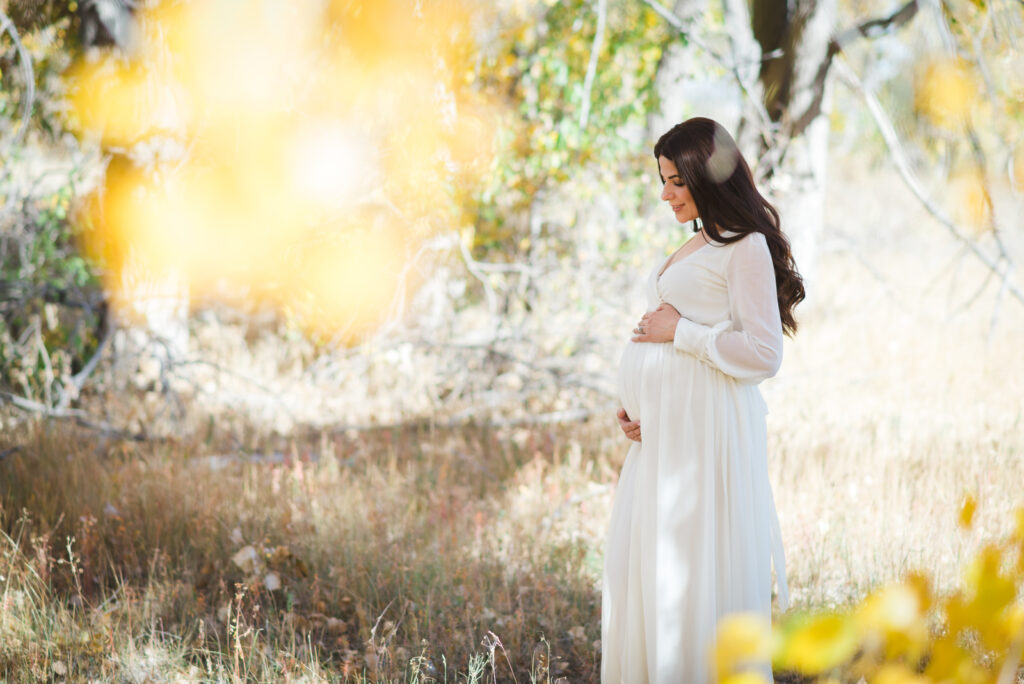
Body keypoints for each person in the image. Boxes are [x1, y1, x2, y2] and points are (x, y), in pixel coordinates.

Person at [601, 117, 805, 683]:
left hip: (705, 443)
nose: (665, 194)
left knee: (692, 573)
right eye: (662, 181)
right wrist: (639, 407)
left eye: (676, 181)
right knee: (651, 571)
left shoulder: (745, 247)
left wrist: (681, 332)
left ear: (706, 178)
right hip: (663, 442)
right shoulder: (699, 243)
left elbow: (763, 353)